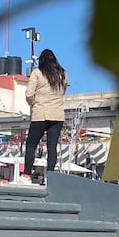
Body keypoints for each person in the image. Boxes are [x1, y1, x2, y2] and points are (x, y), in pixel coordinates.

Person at [24, 49, 68, 184]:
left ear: (41, 61)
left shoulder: (37, 73)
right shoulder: (63, 74)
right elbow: (63, 92)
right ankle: (51, 177)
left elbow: (29, 94)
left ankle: (27, 175)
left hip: (40, 114)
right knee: (52, 147)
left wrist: (34, 104)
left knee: (31, 145)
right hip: (57, 115)